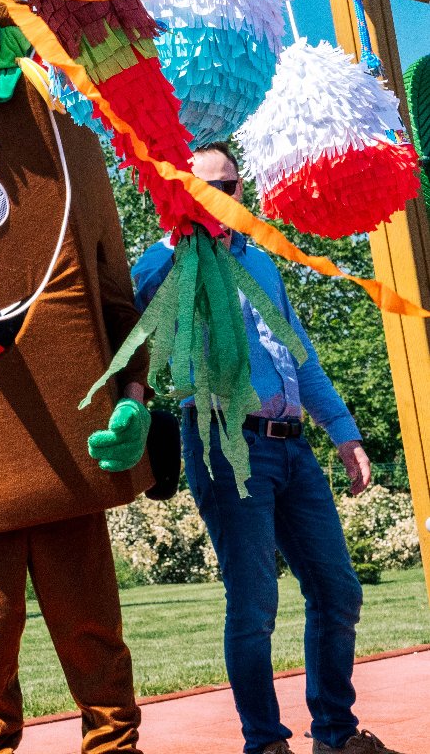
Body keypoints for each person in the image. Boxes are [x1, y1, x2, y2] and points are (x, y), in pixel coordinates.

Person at [132, 142, 400, 754]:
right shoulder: (168, 263)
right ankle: (265, 743)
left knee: (338, 590)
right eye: (204, 189)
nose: (220, 200)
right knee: (254, 604)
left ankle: (335, 735)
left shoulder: (263, 264)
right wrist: (178, 237)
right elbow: (133, 299)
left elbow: (298, 354)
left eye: (229, 188)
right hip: (226, 448)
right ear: (180, 194)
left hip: (293, 448)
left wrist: (345, 432)